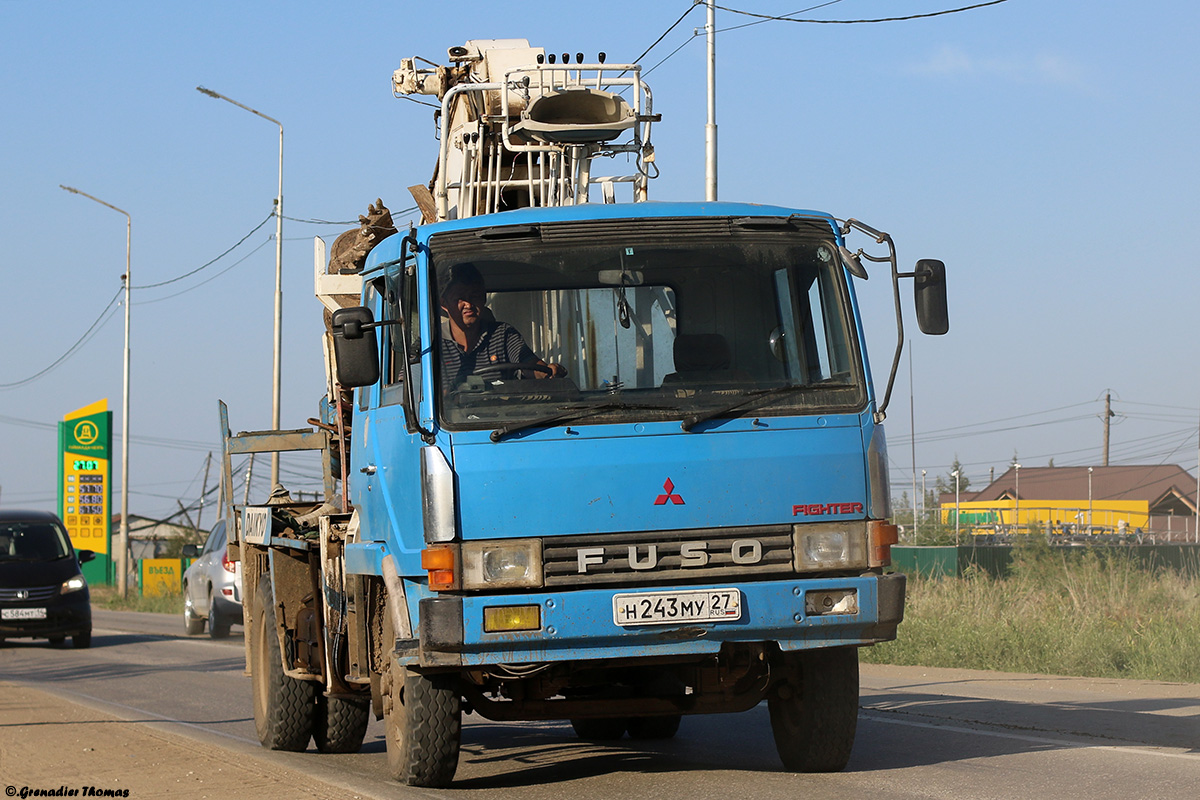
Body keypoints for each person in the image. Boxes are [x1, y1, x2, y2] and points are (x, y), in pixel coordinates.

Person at [438, 262, 566, 392]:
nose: (468, 304)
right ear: (444, 303)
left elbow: (529, 363)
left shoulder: (503, 334)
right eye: (459, 298)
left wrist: (547, 373)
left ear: (484, 298)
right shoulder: (432, 343)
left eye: (474, 296)